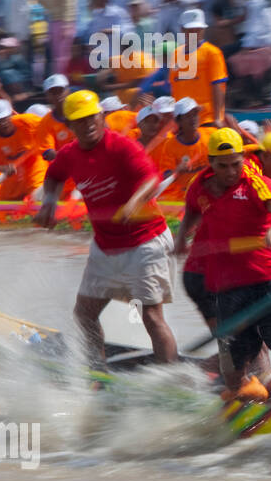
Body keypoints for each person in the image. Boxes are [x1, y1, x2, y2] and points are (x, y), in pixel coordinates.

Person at [176, 127, 271, 402]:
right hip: (228, 288)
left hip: (270, 284)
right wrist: (182, 237)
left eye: (236, 164)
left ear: (244, 158)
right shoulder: (199, 185)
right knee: (232, 367)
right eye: (224, 166)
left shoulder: (256, 183)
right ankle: (246, 399)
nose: (232, 171)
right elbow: (192, 212)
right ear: (211, 164)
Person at [33, 91, 178, 366]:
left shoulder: (122, 146)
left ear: (101, 117)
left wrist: (135, 202)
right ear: (70, 127)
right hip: (106, 246)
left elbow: (150, 179)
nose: (88, 125)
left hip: (145, 241)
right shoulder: (69, 155)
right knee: (84, 314)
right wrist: (48, 204)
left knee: (151, 316)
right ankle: (96, 373)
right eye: (80, 121)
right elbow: (53, 176)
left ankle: (172, 382)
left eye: (92, 118)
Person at [0, 99, 49, 201]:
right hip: (11, 174)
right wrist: (1, 169)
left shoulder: (28, 121)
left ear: (11, 115)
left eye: (4, 118)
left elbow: (50, 124)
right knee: (3, 203)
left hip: (34, 167)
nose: (2, 123)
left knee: (36, 196)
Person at [145, 97, 215, 201]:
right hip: (183, 198)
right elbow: (165, 175)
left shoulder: (212, 134)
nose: (193, 118)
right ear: (179, 121)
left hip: (211, 193)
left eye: (195, 114)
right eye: (188, 116)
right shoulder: (170, 145)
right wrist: (178, 170)